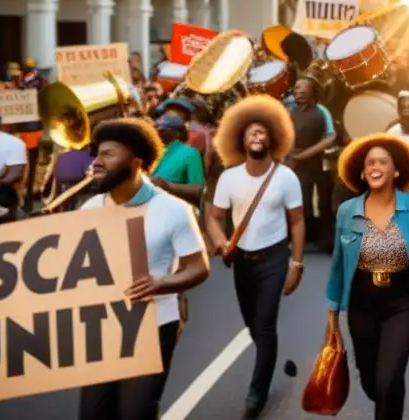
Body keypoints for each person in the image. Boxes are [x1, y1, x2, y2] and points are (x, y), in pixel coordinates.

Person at [78, 118, 209, 420]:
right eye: (96, 154)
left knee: (135, 413)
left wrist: (161, 284)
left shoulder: (174, 210)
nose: (97, 162)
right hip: (100, 329)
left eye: (108, 154)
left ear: (137, 161)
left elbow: (198, 268)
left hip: (152, 325)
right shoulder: (88, 209)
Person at [324, 134, 409, 419]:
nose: (375, 167)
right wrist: (332, 319)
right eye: (370, 163)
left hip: (402, 305)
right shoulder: (346, 212)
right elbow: (338, 267)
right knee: (372, 382)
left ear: (397, 170)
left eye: (383, 161)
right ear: (363, 172)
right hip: (361, 307)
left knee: (388, 378)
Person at [206, 96, 305, 418]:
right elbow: (214, 216)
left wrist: (297, 264)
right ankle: (265, 364)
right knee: (253, 325)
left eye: (262, 133)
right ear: (240, 139)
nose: (257, 137)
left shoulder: (286, 177)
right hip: (242, 264)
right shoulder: (229, 177)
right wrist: (220, 241)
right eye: (251, 133)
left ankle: (256, 393)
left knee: (264, 326)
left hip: (274, 258)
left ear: (273, 138)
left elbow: (297, 221)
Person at [288, 74, 337, 251]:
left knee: (324, 202)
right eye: (296, 87)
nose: (297, 90)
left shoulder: (321, 111)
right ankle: (306, 238)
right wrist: (290, 156)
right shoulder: (291, 112)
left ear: (312, 91)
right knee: (303, 201)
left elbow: (330, 137)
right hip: (298, 165)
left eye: (302, 87)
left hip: (319, 163)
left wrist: (305, 154)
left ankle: (326, 240)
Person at [150, 114, 205, 206]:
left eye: (163, 130)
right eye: (158, 129)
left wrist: (169, 186)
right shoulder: (150, 152)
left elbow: (199, 189)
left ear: (177, 133)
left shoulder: (190, 153)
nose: (159, 132)